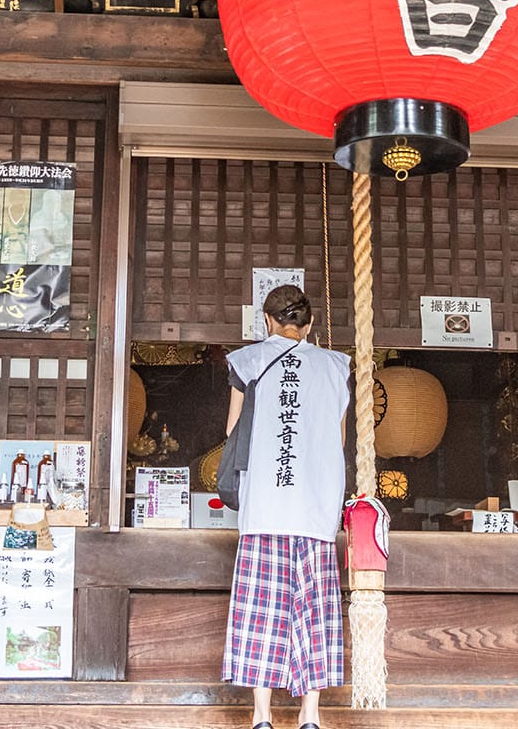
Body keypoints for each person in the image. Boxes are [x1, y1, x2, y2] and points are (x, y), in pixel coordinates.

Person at [221, 284, 351, 729]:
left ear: (267, 322)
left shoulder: (249, 362)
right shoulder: (336, 367)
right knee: (314, 608)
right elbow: (339, 439)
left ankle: (261, 714)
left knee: (262, 607)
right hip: (315, 507)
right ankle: (309, 714)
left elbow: (233, 432)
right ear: (309, 324)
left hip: (265, 507)